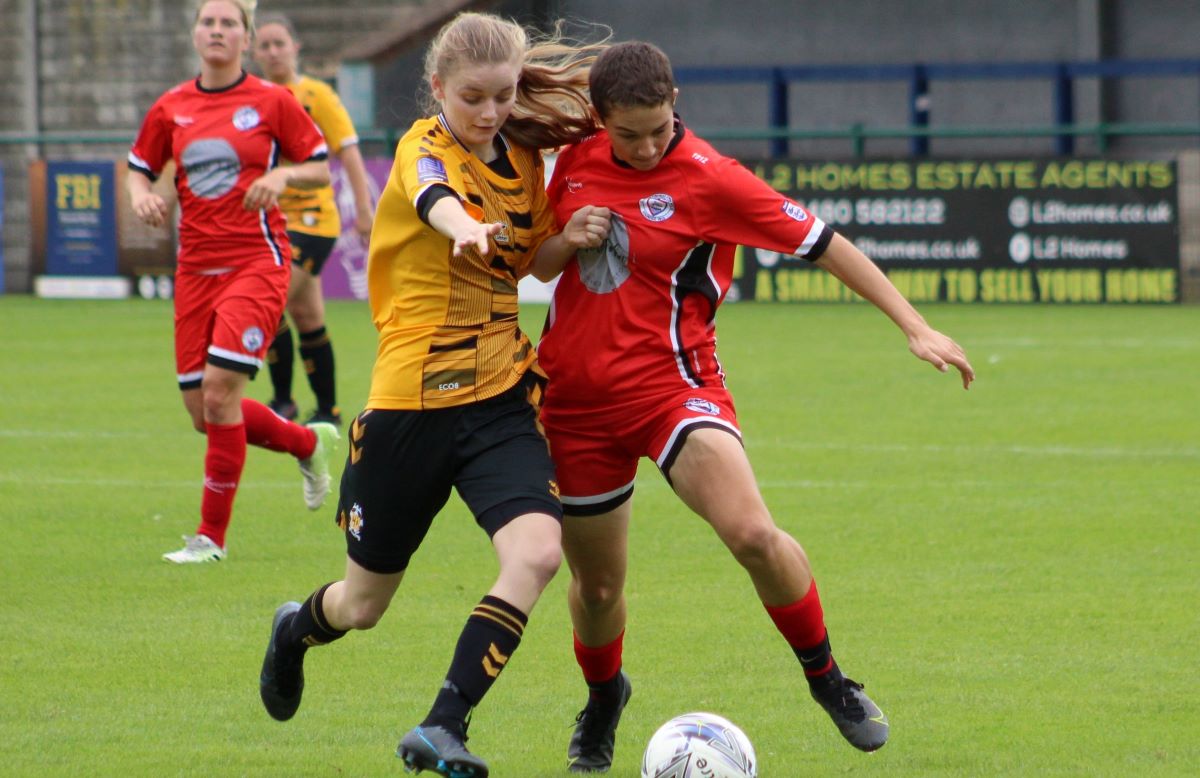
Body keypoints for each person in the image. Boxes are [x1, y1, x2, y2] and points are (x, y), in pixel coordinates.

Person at [536, 41, 976, 772]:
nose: (646, 147)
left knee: (752, 535)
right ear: (599, 120)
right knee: (599, 585)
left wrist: (915, 324)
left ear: (676, 101)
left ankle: (829, 679)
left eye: (658, 127)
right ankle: (604, 696)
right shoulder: (575, 160)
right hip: (575, 405)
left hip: (674, 390)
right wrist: (557, 239)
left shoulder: (712, 178)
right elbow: (537, 260)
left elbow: (827, 244)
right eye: (628, 134)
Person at [256, 12, 610, 778]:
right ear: (438, 88)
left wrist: (568, 236)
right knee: (362, 606)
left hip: (499, 403)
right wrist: (461, 226)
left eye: (503, 96)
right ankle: (295, 630)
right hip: (409, 411)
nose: (489, 112)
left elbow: (535, 263)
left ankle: (443, 724)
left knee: (539, 552)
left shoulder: (523, 158)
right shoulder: (424, 148)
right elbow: (433, 198)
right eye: (473, 97)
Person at [127, 0, 341, 564]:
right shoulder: (171, 107)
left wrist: (281, 173)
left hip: (256, 261)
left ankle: (209, 539)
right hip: (194, 270)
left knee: (222, 394)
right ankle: (307, 442)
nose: (217, 30)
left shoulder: (272, 101)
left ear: (244, 39)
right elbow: (138, 169)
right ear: (195, 34)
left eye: (229, 23)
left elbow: (320, 164)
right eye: (208, 22)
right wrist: (142, 197)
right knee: (205, 414)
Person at [253, 12, 375, 428]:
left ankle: (282, 402)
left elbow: (349, 151)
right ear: (254, 52)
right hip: (273, 221)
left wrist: (363, 209)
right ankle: (329, 411)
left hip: (313, 220)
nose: (272, 52)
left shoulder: (316, 95)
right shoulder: (253, 99)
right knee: (306, 316)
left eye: (278, 43)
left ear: (295, 47)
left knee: (270, 302)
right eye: (264, 45)